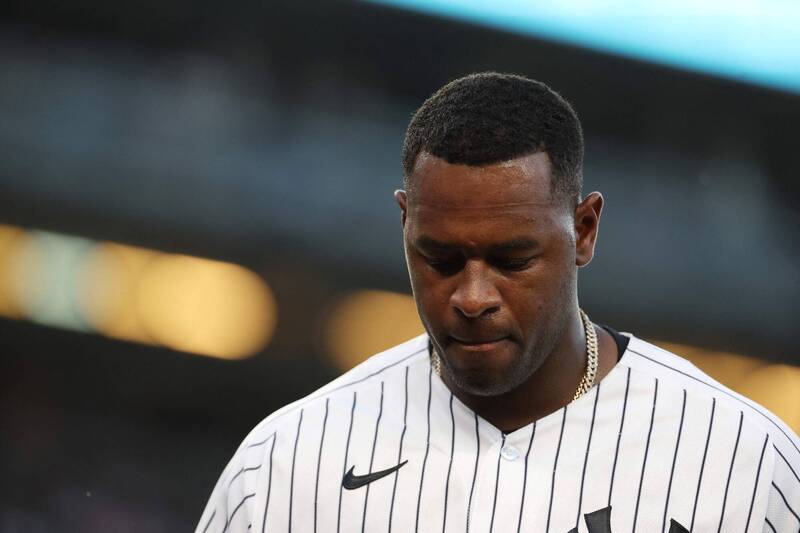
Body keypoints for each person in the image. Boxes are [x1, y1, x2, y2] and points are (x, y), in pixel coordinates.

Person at [196, 72, 799, 533]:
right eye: (440, 259)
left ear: (584, 230)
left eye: (513, 260)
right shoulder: (286, 460)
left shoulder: (747, 461)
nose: (472, 297)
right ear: (405, 223)